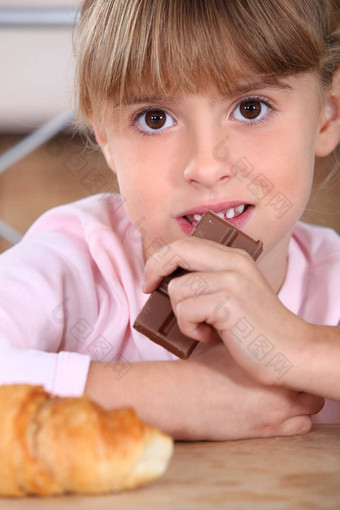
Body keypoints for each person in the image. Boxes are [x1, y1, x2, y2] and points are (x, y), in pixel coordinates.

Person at [0, 0, 339, 441]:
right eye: (154, 118)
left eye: (251, 108)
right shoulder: (75, 263)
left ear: (327, 114)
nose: (205, 165)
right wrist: (174, 396)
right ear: (105, 135)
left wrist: (303, 348)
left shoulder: (331, 276)